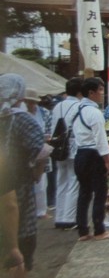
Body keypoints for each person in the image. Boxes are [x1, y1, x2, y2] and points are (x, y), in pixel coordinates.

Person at [0, 74, 45, 278]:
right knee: (21, 236)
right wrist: (38, 172)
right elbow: (40, 150)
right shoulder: (21, 119)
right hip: (17, 184)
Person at [73, 77, 109, 241]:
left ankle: (83, 230)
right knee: (100, 192)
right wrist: (108, 161)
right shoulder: (94, 113)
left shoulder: (77, 110)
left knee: (84, 193)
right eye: (100, 90)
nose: (102, 93)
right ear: (91, 93)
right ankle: (99, 229)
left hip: (80, 153)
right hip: (94, 154)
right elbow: (101, 140)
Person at [51, 77, 82, 229]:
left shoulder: (58, 106)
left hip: (58, 147)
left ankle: (59, 216)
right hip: (73, 147)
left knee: (61, 180)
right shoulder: (79, 106)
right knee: (74, 180)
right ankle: (69, 218)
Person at [23, 88, 52, 219]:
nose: (30, 104)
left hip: (41, 149)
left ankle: (41, 210)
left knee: (42, 183)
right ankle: (30, 210)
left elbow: (50, 130)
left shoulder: (44, 113)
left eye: (32, 102)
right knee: (27, 182)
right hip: (26, 151)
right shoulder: (22, 114)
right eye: (28, 101)